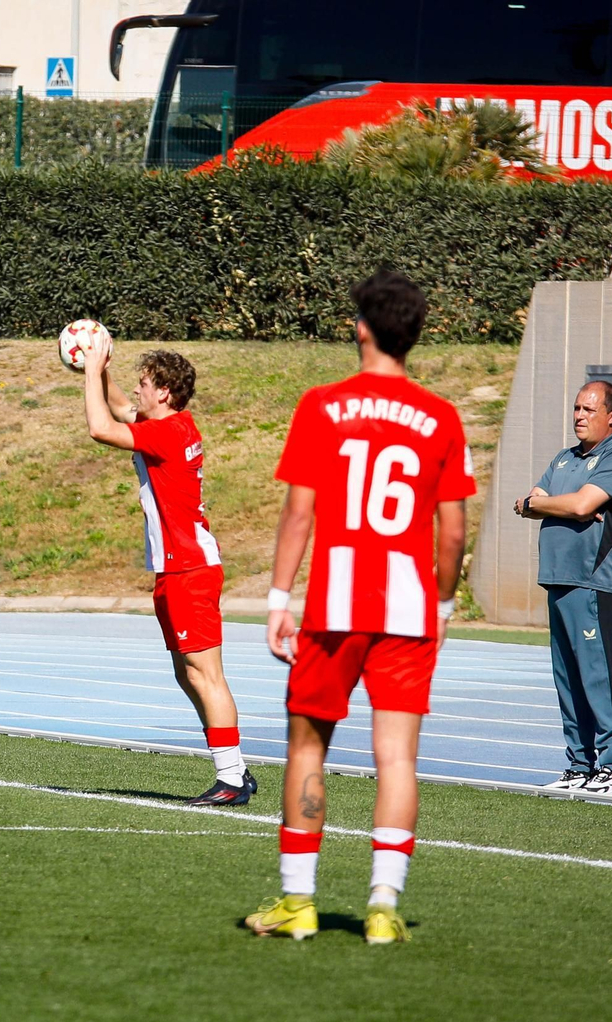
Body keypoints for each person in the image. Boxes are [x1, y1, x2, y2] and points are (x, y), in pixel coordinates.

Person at [248, 270, 474, 945]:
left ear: (362, 327)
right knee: (397, 757)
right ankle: (382, 907)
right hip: (408, 606)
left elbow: (298, 512)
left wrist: (277, 600)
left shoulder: (323, 404)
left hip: (336, 603)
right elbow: (454, 529)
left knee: (307, 744)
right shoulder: (441, 416)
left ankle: (299, 902)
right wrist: (444, 600)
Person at [81, 338, 254, 806]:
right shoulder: (168, 423)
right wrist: (99, 371)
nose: (136, 391)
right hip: (177, 568)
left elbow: (101, 426)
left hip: (190, 569)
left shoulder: (167, 433)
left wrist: (89, 368)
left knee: (206, 676)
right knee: (187, 673)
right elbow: (118, 406)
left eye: (143, 384)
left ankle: (233, 779)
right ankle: (233, 767)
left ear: (163, 392)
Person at [514, 380, 612, 796]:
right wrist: (552, 504)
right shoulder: (564, 458)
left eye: (589, 409)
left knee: (597, 676)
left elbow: (581, 504)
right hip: (558, 580)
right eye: (576, 409)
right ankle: (579, 765)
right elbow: (534, 502)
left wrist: (556, 503)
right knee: (567, 678)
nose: (580, 416)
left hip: (596, 584)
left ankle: (611, 769)